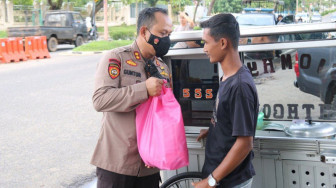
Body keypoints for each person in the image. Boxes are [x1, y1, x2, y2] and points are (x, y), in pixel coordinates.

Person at [91, 7, 173, 188]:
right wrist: (143, 89)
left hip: (150, 165)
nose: (167, 39)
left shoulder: (162, 68)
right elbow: (100, 99)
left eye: (169, 34)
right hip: (117, 165)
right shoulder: (116, 58)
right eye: (163, 33)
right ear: (144, 32)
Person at [192, 13, 259, 188]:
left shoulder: (239, 86)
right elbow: (231, 119)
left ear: (222, 43)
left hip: (230, 181)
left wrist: (211, 181)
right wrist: (214, 129)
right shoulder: (229, 77)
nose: (204, 49)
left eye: (206, 43)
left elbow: (245, 143)